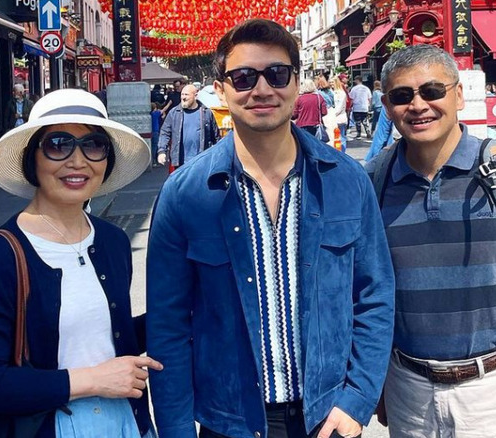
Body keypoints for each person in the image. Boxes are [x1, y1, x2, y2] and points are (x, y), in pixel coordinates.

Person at [147, 18, 395, 438]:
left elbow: (374, 296)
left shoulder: (346, 180)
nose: (262, 90)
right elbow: (168, 325)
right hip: (230, 420)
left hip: (327, 416)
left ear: (296, 84)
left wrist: (356, 400)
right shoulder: (185, 193)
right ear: (221, 90)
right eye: (243, 77)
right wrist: (175, 429)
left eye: (277, 74)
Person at [369, 44, 496, 438]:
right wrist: (376, 382)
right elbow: (369, 293)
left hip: (495, 391)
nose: (418, 105)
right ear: (386, 106)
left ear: (458, 95)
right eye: (402, 96)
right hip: (408, 391)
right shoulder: (374, 181)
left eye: (432, 91)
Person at [0, 89, 161, 438]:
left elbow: (108, 336)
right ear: (31, 159)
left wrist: (180, 313)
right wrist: (92, 380)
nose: (77, 161)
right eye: (58, 144)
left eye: (93, 145)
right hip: (47, 427)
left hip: (126, 422)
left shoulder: (112, 241)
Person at [156, 84, 220, 172]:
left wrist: (219, 156)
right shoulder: (174, 113)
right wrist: (161, 151)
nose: (183, 98)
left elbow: (216, 137)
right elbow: (165, 132)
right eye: (182, 94)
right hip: (180, 163)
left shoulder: (206, 113)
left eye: (186, 95)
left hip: (201, 162)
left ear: (196, 96)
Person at [330, 76, 349, 151]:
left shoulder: (341, 93)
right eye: (330, 82)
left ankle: (342, 152)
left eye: (332, 82)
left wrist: (332, 114)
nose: (331, 84)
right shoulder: (332, 92)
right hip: (336, 118)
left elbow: (340, 107)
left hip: (339, 118)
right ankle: (338, 151)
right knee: (336, 137)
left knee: (341, 136)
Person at [150, 102, 163, 167]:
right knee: (155, 147)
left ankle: (152, 161)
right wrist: (169, 103)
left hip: (151, 131)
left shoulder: (150, 114)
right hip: (155, 131)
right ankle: (154, 161)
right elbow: (163, 110)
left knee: (152, 146)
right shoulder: (155, 114)